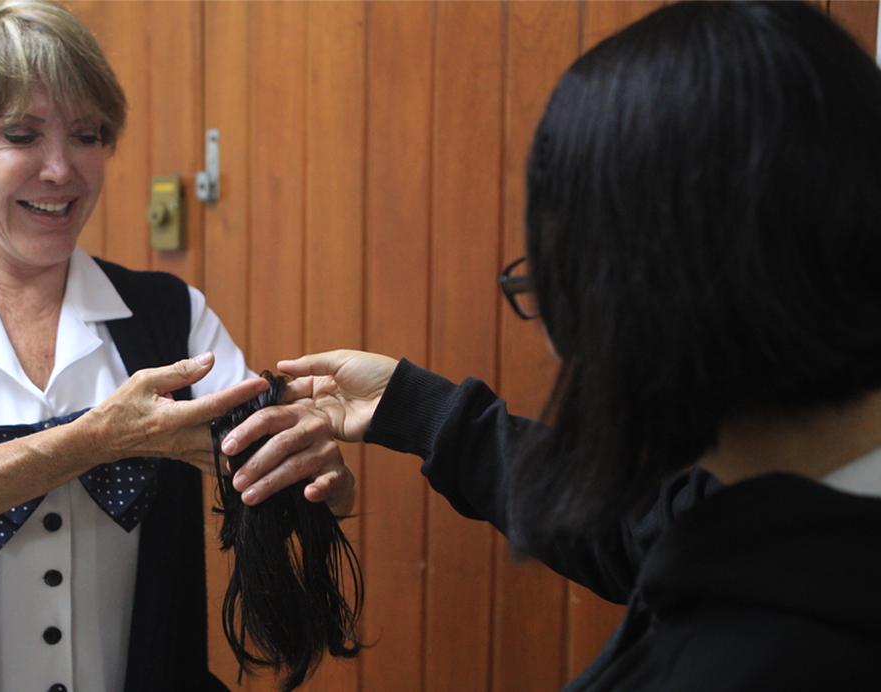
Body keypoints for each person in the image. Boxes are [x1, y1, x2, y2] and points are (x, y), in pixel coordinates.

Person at [228, 2, 881, 689]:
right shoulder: (768, 507)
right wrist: (413, 407)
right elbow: (639, 532)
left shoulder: (760, 658)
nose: (553, 337)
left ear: (646, 294)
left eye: (551, 282)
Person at [0, 2, 350, 690]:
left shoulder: (170, 315)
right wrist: (97, 441)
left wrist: (318, 471)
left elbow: (277, 474)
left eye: (86, 136)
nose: (62, 169)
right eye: (21, 136)